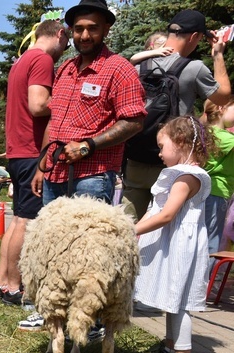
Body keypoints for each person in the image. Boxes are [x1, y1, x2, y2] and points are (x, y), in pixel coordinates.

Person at [24, 0, 147, 332]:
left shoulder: (119, 69)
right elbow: (55, 120)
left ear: (106, 29)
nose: (85, 34)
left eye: (92, 28)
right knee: (53, 246)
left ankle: (88, 319)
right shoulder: (65, 68)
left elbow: (134, 120)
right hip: (57, 172)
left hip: (94, 176)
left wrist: (90, 144)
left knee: (89, 256)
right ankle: (52, 312)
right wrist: (41, 164)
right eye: (79, 29)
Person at [0, 18, 70, 315]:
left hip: (17, 151)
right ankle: (14, 286)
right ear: (60, 34)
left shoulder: (23, 59)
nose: (66, 49)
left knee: (19, 218)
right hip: (30, 152)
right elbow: (38, 105)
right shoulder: (42, 59)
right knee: (27, 221)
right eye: (68, 42)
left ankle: (3, 283)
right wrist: (67, 97)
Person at [123, 9, 231, 221]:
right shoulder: (193, 68)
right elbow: (223, 97)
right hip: (170, 162)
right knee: (164, 226)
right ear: (194, 37)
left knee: (128, 223)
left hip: (135, 156)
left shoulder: (140, 65)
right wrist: (218, 54)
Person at [136, 116, 215, 353]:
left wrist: (131, 229)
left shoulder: (187, 177)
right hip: (170, 241)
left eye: (162, 146)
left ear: (180, 142)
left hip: (180, 244)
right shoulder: (176, 174)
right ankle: (171, 347)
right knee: (172, 294)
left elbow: (167, 214)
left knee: (179, 297)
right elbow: (155, 208)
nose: (159, 153)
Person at [202, 97, 234, 272]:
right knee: (211, 242)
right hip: (217, 193)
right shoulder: (225, 137)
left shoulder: (205, 133)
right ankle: (202, 287)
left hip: (207, 192)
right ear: (221, 108)